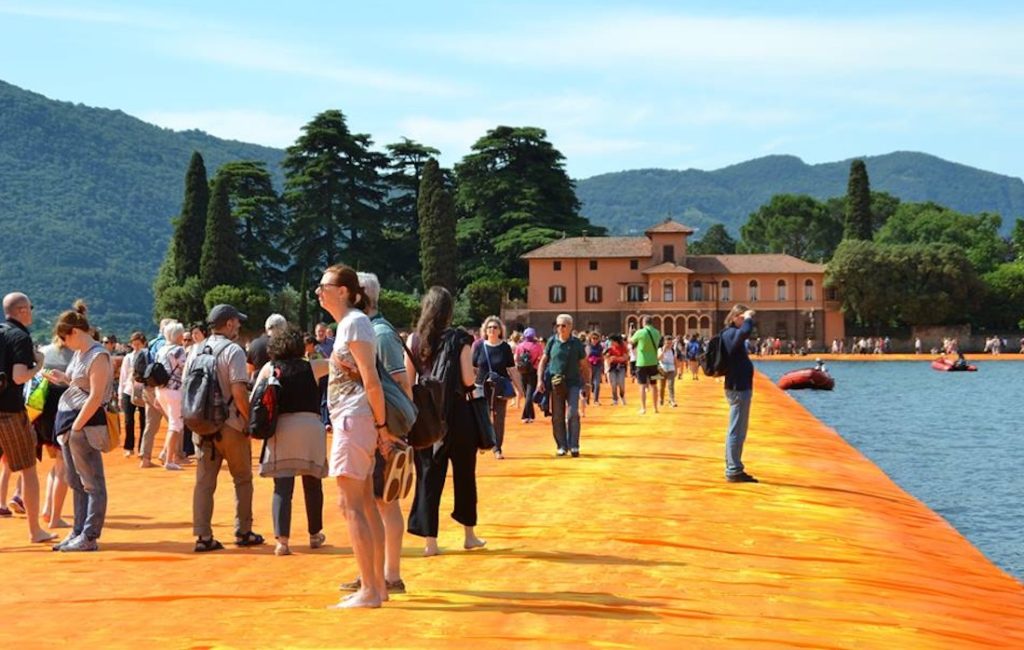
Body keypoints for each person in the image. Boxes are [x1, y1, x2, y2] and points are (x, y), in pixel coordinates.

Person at [317, 264, 396, 609]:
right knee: (364, 504)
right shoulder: (349, 324)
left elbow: (371, 379)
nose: (319, 291)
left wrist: (381, 429)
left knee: (350, 505)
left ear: (345, 291)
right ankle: (375, 587)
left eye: (325, 285)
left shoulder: (354, 323)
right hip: (355, 419)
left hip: (355, 419)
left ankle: (369, 590)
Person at [337, 271, 413, 594]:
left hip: (381, 425)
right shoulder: (370, 330)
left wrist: (392, 429)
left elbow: (398, 381)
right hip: (376, 423)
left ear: (358, 294)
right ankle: (375, 572)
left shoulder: (377, 334)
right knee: (375, 501)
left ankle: (388, 575)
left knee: (384, 502)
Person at [406, 286, 487, 557]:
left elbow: (408, 383)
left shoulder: (415, 341)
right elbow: (467, 380)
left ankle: (430, 542)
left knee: (429, 477)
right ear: (449, 311)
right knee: (465, 475)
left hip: (427, 417)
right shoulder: (460, 338)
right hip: (459, 415)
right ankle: (469, 535)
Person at [190, 304, 265, 553]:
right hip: (231, 424)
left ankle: (203, 535)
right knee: (242, 479)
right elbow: (238, 391)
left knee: (204, 483)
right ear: (230, 324)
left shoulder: (196, 349)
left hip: (203, 426)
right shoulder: (234, 351)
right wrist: (249, 420)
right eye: (237, 322)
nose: (240, 326)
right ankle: (243, 531)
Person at [251, 325, 328, 557]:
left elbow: (254, 395)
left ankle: (282, 542)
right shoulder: (313, 367)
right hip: (311, 428)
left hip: (282, 430)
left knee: (282, 488)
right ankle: (315, 535)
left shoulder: (270, 368)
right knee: (313, 484)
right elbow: (338, 364)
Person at [50, 302, 112, 551]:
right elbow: (80, 386)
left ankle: (89, 535)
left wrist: (77, 426)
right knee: (76, 482)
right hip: (70, 425)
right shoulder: (79, 354)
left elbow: (96, 396)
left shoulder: (98, 356)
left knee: (92, 483)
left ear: (75, 331)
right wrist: (64, 379)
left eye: (64, 337)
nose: (64, 343)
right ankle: (78, 531)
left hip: (82, 426)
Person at [0, 292, 55, 544]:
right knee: (28, 470)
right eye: (30, 307)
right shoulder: (20, 336)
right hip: (9, 411)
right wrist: (39, 365)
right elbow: (19, 376)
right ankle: (35, 531)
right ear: (22, 311)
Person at [536, 313, 590, 457]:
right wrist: (540, 380)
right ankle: (561, 445)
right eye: (558, 325)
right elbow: (543, 361)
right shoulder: (552, 342)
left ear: (570, 327)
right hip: (556, 383)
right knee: (557, 416)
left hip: (573, 383)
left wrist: (587, 384)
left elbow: (584, 365)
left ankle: (574, 445)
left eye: (563, 325)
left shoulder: (577, 343)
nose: (560, 328)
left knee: (573, 413)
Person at [36, 335, 74, 529]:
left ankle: (48, 509)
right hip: (63, 413)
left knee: (57, 465)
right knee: (63, 467)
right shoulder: (76, 354)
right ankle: (54, 517)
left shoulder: (44, 351)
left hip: (43, 415)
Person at [473, 315, 522, 460]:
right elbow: (472, 367)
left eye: (495, 327)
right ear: (485, 330)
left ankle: (497, 448)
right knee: (483, 417)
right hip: (482, 387)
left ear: (500, 330)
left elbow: (512, 369)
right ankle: (483, 443)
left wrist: (520, 389)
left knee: (499, 418)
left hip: (500, 388)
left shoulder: (505, 347)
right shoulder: (479, 346)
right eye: (489, 327)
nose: (492, 330)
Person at [722, 304, 758, 483]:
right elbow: (743, 334)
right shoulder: (730, 334)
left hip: (740, 385)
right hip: (738, 387)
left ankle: (733, 466)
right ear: (735, 316)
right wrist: (749, 319)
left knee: (738, 429)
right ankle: (733, 469)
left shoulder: (729, 334)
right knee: (736, 429)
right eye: (742, 318)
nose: (746, 322)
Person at [138, 318, 173, 469]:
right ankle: (170, 454)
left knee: (150, 425)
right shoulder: (165, 345)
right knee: (174, 422)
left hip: (147, 387)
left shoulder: (151, 343)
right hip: (160, 388)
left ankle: (145, 457)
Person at [155, 321, 187, 471]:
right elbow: (185, 368)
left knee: (173, 424)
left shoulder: (161, 349)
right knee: (175, 425)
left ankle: (164, 453)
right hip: (174, 389)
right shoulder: (179, 350)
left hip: (160, 389)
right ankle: (169, 460)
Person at [119, 332, 147, 457]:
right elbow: (123, 376)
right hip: (128, 390)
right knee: (128, 421)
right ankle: (129, 447)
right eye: (134, 344)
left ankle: (142, 447)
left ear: (143, 343)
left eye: (138, 344)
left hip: (143, 391)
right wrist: (120, 394)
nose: (136, 347)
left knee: (144, 421)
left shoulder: (148, 356)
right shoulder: (128, 358)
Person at [630, 315, 662, 415]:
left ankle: (643, 408)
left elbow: (630, 341)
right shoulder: (657, 332)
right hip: (654, 362)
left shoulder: (640, 332)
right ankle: (655, 408)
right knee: (654, 385)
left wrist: (630, 332)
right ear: (652, 323)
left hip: (641, 362)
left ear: (644, 322)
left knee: (642, 386)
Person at [514, 328, 543, 423]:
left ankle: (530, 415)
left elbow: (516, 359)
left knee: (527, 394)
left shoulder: (520, 346)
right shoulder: (537, 346)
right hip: (533, 371)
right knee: (529, 394)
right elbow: (541, 358)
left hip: (522, 372)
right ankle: (526, 416)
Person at [247, 313, 286, 379]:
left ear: (266, 327)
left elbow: (249, 371)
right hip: (279, 386)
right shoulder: (285, 345)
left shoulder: (254, 344)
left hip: (258, 386)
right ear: (283, 328)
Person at [604, 334, 628, 406]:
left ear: (615, 341)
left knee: (621, 384)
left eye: (611, 341)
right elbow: (606, 358)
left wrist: (615, 358)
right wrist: (608, 358)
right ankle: (615, 399)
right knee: (613, 384)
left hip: (621, 367)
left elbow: (625, 358)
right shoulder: (610, 348)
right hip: (612, 368)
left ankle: (622, 396)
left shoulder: (623, 347)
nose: (610, 342)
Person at [657, 335, 678, 408]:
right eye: (667, 343)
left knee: (671, 385)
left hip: (671, 370)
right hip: (662, 370)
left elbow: (675, 361)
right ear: (664, 343)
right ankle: (661, 399)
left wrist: (676, 370)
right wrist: (664, 351)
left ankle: (672, 400)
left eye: (670, 343)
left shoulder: (673, 350)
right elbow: (659, 359)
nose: (669, 345)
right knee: (662, 386)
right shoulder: (660, 349)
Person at [585, 332, 604, 406]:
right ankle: (587, 399)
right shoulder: (588, 347)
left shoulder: (600, 347)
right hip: (589, 367)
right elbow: (585, 358)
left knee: (597, 384)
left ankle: (596, 400)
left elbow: (602, 357)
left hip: (598, 366)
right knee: (589, 384)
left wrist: (602, 366)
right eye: (593, 338)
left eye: (596, 338)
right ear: (590, 339)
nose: (595, 340)